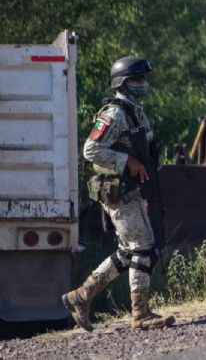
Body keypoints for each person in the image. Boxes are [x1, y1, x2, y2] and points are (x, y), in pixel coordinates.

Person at [62, 57, 175, 331]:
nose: (144, 84)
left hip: (134, 190)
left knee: (127, 251)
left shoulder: (135, 110)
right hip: (120, 193)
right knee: (143, 248)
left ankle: (81, 297)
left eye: (144, 79)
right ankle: (141, 314)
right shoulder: (114, 114)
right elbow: (91, 149)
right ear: (123, 82)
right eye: (138, 80)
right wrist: (128, 163)